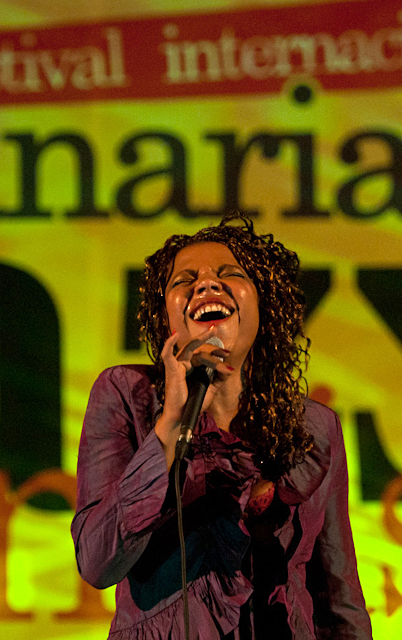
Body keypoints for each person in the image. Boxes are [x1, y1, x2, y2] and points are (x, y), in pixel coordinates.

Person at [71, 214, 372, 639]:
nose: (207, 285)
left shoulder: (314, 427)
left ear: (263, 305)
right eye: (185, 280)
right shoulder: (127, 395)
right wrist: (170, 425)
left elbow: (337, 592)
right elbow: (98, 561)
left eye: (229, 274)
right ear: (165, 319)